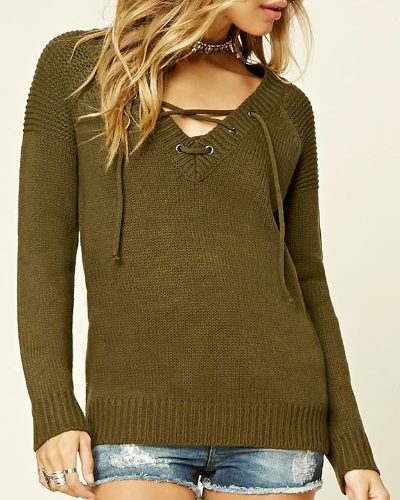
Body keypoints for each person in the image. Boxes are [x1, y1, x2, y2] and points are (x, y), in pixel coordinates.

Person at [17, 1, 390, 499]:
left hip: (277, 422)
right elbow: (43, 257)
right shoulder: (78, 70)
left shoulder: (288, 109)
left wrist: (352, 447)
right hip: (132, 415)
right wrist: (53, 412)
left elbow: (307, 279)